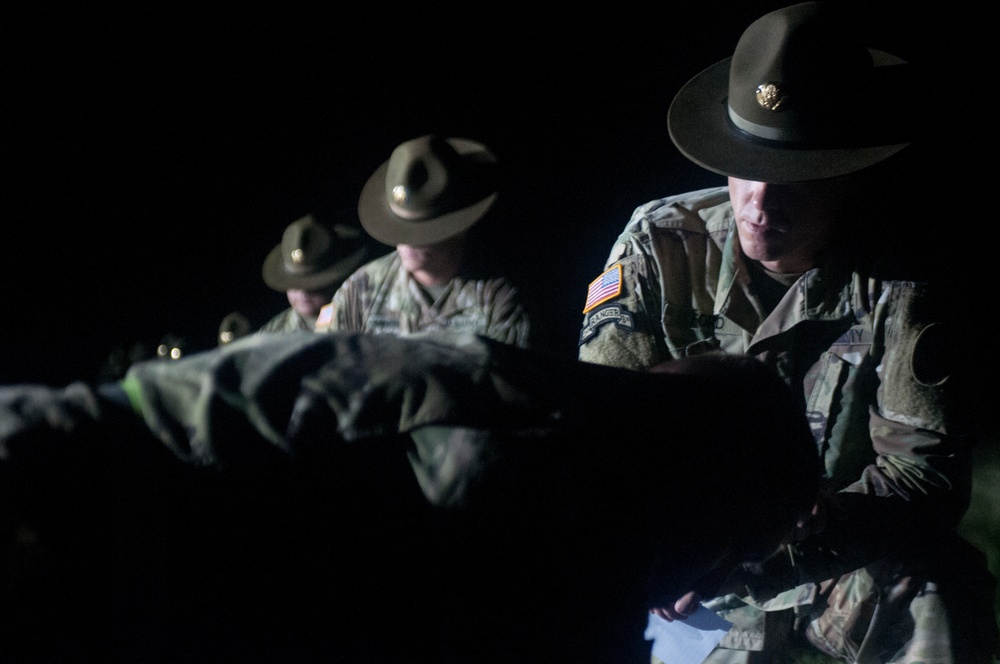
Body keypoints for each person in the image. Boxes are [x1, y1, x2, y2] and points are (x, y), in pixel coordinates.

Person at [576, 2, 998, 662]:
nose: (760, 205)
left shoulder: (901, 281)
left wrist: (767, 554)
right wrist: (675, 549)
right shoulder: (660, 244)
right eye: (745, 166)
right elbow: (600, 424)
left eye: (794, 179)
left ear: (848, 174)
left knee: (942, 590)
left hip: (828, 561)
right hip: (681, 578)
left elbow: (923, 479)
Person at [1, 330, 819, 662]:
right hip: (68, 530)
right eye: (723, 557)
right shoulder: (555, 483)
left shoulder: (508, 392)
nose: (694, 589)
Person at [316, 134, 532, 349]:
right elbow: (327, 366)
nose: (407, 242)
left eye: (424, 232)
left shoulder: (498, 296)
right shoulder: (360, 291)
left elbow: (511, 377)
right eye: (401, 229)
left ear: (459, 227)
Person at [258, 214, 376, 333]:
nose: (303, 292)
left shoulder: (368, 316)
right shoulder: (273, 334)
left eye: (312, 284)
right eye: (294, 285)